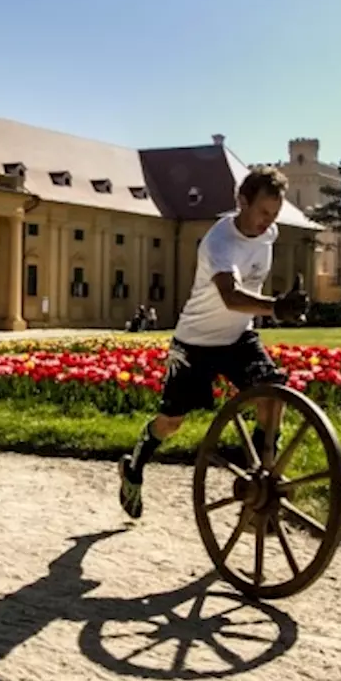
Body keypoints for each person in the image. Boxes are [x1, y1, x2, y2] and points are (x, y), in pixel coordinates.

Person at [117, 167, 309, 520]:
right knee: (171, 422)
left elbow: (242, 303)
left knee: (272, 391)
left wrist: (280, 305)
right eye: (263, 212)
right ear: (242, 202)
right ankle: (133, 468)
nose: (269, 222)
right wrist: (276, 307)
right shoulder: (219, 242)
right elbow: (231, 296)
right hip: (196, 343)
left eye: (275, 214)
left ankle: (263, 483)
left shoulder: (269, 235)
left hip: (237, 337)